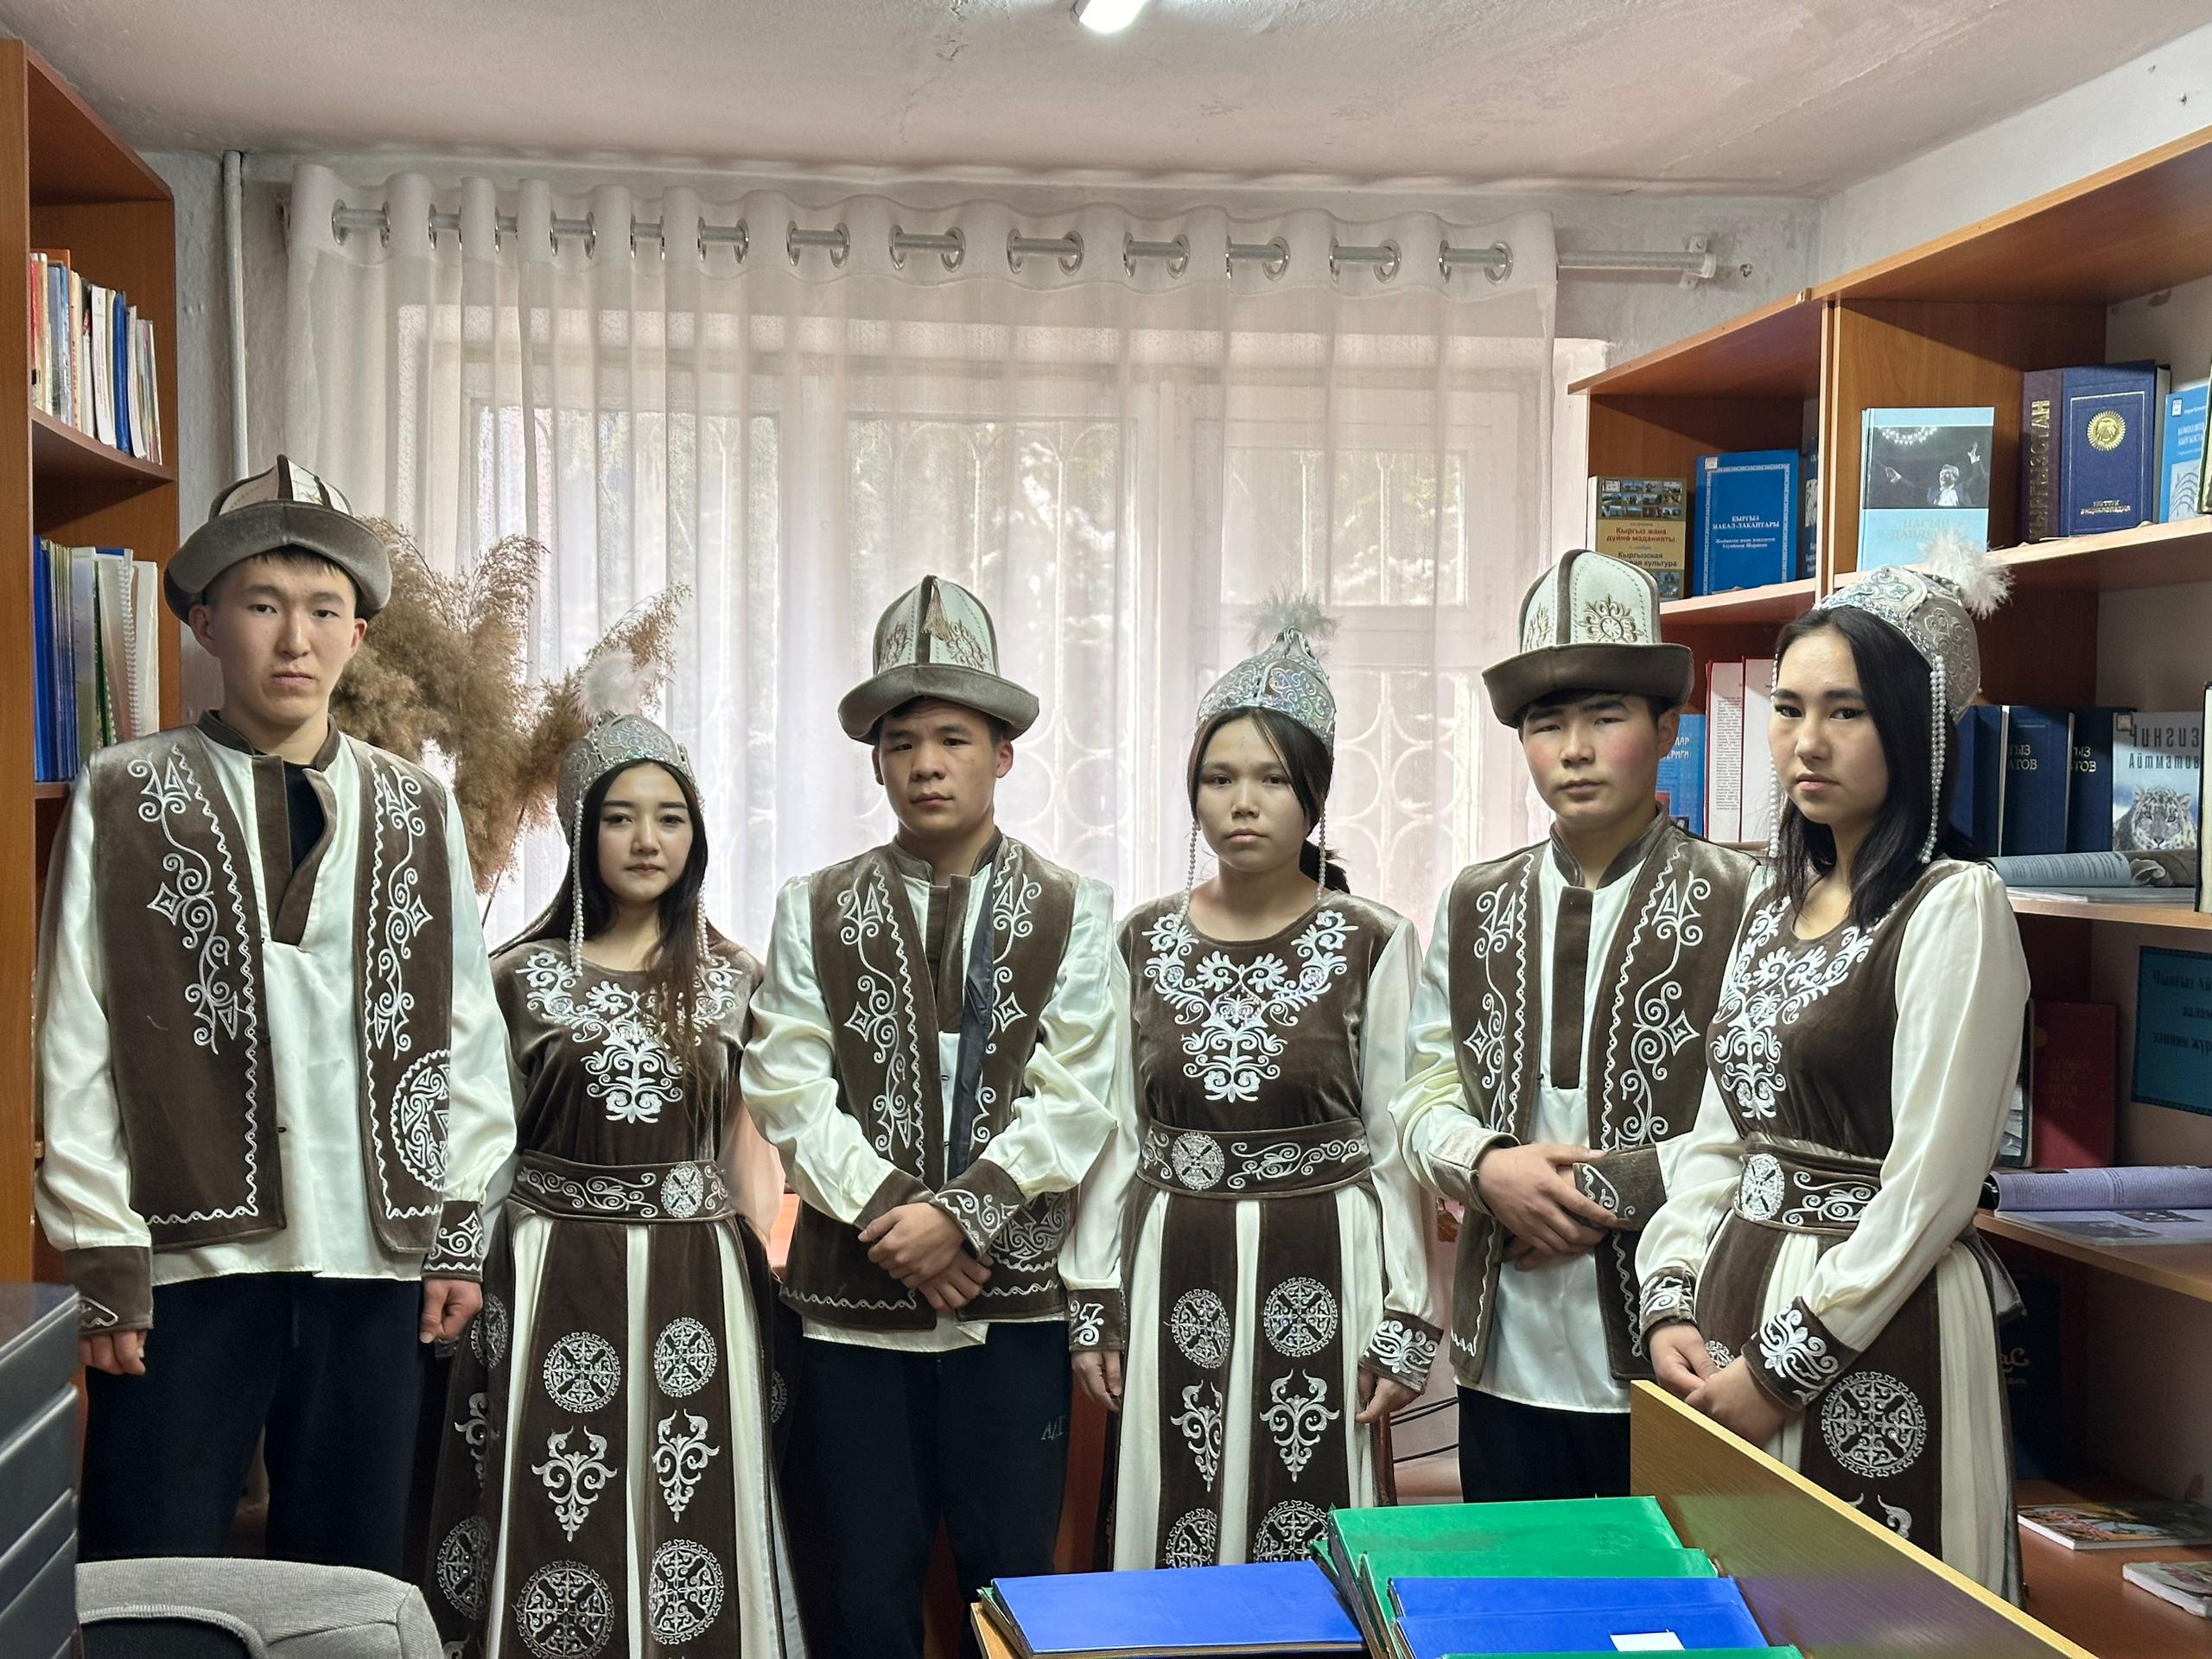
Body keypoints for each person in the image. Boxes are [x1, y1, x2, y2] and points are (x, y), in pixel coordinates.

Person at [35, 458, 515, 1573]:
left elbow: (466, 1033)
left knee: (350, 1575)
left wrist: (459, 1229)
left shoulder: (416, 805)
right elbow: (76, 1033)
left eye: (323, 611)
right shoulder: (124, 790)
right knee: (150, 1565)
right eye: (262, 606)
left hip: (376, 1260)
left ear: (357, 636)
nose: (294, 639)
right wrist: (103, 1251)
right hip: (184, 1262)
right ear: (205, 622)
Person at [1637, 555, 2028, 1598]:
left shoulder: (1955, 906)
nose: (1806, 742)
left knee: (1863, 1614)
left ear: (1911, 727)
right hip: (1730, 1313)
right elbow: (1719, 1139)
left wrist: (1783, 1368)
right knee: (1734, 1608)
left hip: (1876, 1325)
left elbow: (1933, 1186)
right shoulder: (1771, 902)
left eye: (1845, 712)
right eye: (1789, 709)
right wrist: (1668, 1300)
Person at [739, 575, 1116, 1659]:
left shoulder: (1072, 906)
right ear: (876, 763)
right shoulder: (814, 906)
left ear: (1004, 754)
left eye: (953, 739)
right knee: (866, 1584)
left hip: (1013, 1303)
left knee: (1012, 1579)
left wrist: (960, 1219)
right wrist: (898, 1213)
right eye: (901, 743)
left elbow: (1079, 1093)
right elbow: (787, 1084)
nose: (926, 765)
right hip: (853, 1307)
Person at [421, 687, 804, 1656]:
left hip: (696, 1275)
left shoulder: (737, 980)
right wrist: (462, 1259)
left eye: (670, 818)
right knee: (555, 1494)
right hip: (551, 1271)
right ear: (581, 833)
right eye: (620, 818)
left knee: (690, 1493)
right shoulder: (518, 976)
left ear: (696, 836)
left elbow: (750, 1146)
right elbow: (479, 1137)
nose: (646, 840)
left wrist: (759, 1269)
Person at [1064, 625, 1441, 1570]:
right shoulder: (1137, 940)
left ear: (1314, 794)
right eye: (1218, 778)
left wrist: (1408, 1312)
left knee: (1310, 1497)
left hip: (1327, 1255)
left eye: (1272, 779)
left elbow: (1397, 1138)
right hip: (1172, 1250)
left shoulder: (1373, 940)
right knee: (1171, 1494)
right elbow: (1114, 1131)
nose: (1242, 803)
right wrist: (1094, 1296)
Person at [1391, 549, 1761, 1503]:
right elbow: (1421, 1089)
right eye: (1546, 724)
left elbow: (1763, 1120)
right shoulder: (1475, 900)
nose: (1576, 750)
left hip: (1681, 1339)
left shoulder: (1746, 899)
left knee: (1669, 1588)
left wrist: (1599, 1190)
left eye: (1605, 717)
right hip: (1502, 1345)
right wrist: (1487, 1169)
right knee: (1519, 1583)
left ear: (1667, 728)